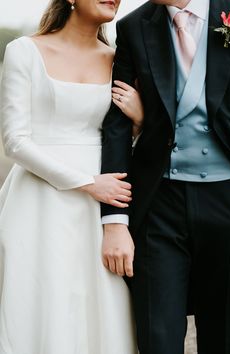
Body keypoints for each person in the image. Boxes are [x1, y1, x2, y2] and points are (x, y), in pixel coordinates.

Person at [0, 0, 143, 353]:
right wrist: (87, 183)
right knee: (41, 299)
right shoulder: (25, 51)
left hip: (102, 205)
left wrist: (140, 122)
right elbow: (14, 141)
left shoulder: (116, 58)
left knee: (101, 303)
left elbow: (118, 138)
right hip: (39, 200)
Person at [101, 0, 230, 353]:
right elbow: (115, 126)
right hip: (160, 202)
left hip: (229, 198)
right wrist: (114, 219)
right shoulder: (134, 26)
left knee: (226, 336)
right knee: (157, 336)